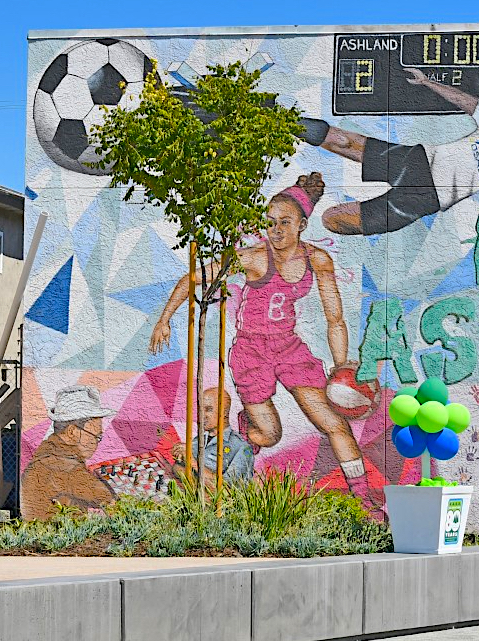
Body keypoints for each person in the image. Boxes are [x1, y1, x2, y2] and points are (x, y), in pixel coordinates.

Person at [150, 173, 377, 512]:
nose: (277, 230)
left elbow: (335, 318)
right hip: (251, 351)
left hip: (289, 348)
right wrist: (164, 318)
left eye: (285, 222)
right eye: (270, 223)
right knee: (270, 436)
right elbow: (195, 276)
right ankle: (239, 436)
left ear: (302, 224)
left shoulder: (318, 260)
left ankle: (364, 500)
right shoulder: (254, 258)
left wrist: (341, 364)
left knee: (333, 423)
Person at [300, 71, 479, 236]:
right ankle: (280, 118)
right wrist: (428, 82)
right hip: (420, 160)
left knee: (332, 219)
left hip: (428, 196)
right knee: (345, 142)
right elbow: (466, 101)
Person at [19, 385, 116, 521]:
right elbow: (111, 500)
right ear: (72, 432)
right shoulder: (66, 468)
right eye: (96, 436)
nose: (96, 442)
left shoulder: (48, 452)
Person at [189, 386, 255, 485]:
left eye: (208, 409)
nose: (202, 415)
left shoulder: (242, 448)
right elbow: (178, 468)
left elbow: (226, 487)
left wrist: (191, 462)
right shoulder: (198, 440)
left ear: (224, 412)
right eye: (200, 409)